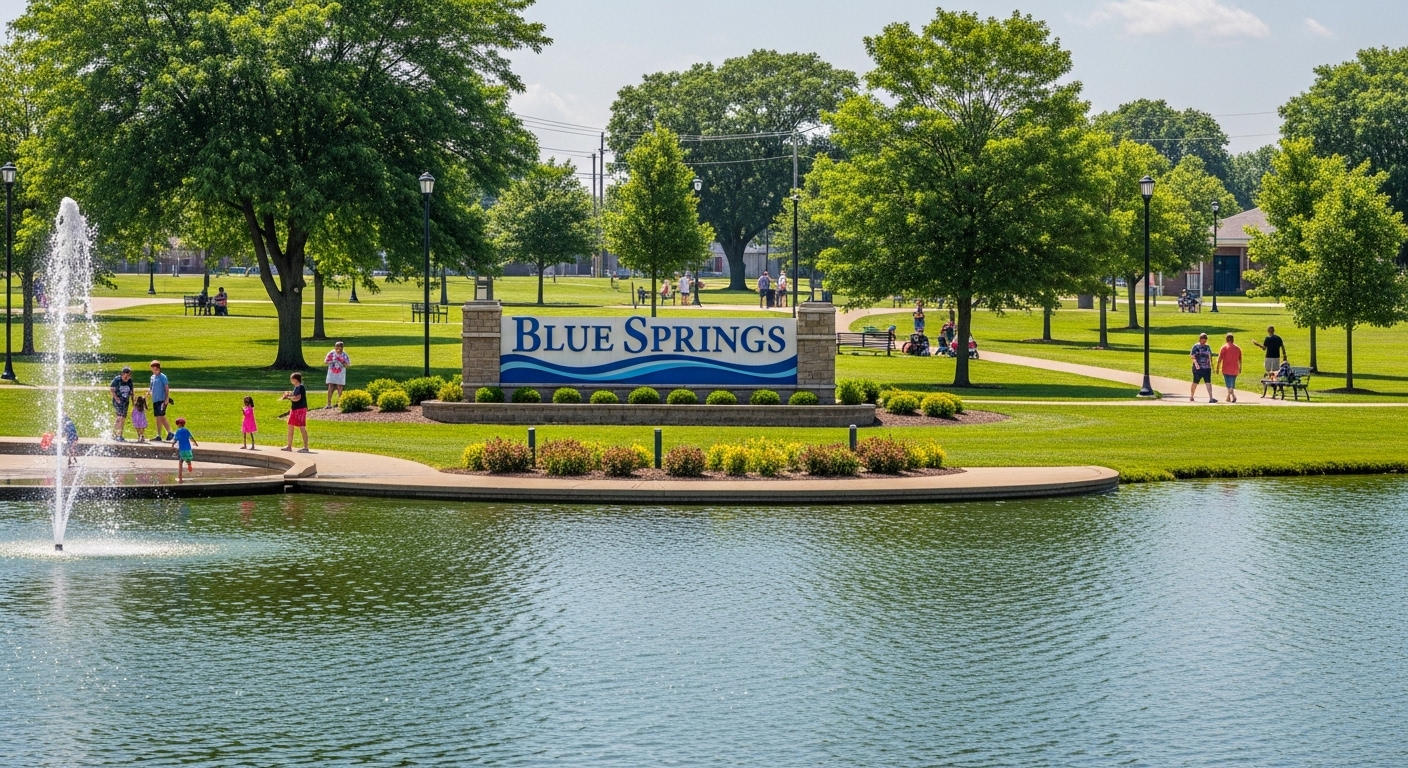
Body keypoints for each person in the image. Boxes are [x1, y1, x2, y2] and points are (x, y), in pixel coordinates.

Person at [281, 372, 310, 453]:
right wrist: (289, 395)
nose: (291, 380)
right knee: (290, 425)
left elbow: (297, 398)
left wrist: (289, 397)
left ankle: (306, 447)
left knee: (301, 426)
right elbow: (294, 396)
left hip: (300, 409)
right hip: (294, 409)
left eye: (291, 379)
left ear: (295, 380)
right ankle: (289, 446)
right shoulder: (296, 388)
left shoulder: (301, 387)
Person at [148, 360, 174, 441]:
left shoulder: (162, 377)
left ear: (159, 369)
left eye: (156, 369)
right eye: (153, 369)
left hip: (162, 399)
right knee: (158, 417)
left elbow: (166, 388)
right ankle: (159, 435)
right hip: (155, 400)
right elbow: (151, 388)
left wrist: (167, 398)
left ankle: (169, 432)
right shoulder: (152, 377)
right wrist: (148, 394)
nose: (154, 371)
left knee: (161, 415)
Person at [109, 365, 136, 441]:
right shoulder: (117, 379)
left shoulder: (130, 381)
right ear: (123, 374)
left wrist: (133, 401)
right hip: (118, 401)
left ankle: (117, 434)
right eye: (126, 376)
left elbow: (132, 392)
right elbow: (111, 389)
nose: (127, 378)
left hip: (125, 402)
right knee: (120, 417)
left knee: (122, 418)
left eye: (129, 376)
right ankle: (116, 434)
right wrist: (116, 398)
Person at [1216, 333, 1243, 404]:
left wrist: (1217, 368)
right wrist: (1240, 368)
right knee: (1231, 384)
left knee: (1228, 384)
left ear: (1226, 339)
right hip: (1235, 369)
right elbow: (1240, 359)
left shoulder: (1224, 347)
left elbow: (1219, 359)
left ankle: (1233, 396)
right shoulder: (1237, 348)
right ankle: (1228, 397)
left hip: (1226, 369)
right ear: (1233, 340)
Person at [1190, 332, 1217, 403]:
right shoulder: (1196, 346)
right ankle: (1192, 396)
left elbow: (1210, 356)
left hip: (1207, 367)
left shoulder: (1207, 347)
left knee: (1208, 382)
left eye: (1205, 340)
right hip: (1198, 368)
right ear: (1200, 339)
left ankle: (1211, 398)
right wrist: (1196, 364)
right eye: (1203, 339)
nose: (1204, 341)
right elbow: (1192, 356)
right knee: (1195, 382)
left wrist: (1212, 366)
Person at [323, 341, 350, 409]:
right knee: (330, 386)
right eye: (337, 346)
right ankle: (329, 404)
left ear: (342, 347)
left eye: (340, 347)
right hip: (331, 373)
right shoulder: (331, 353)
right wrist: (332, 361)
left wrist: (342, 361)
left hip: (340, 374)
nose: (338, 348)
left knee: (340, 387)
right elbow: (326, 361)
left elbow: (347, 365)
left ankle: (340, 403)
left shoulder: (344, 355)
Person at [172, 417, 198, 483]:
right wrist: (195, 443)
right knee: (188, 458)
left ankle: (180, 478)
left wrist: (172, 445)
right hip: (188, 449)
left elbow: (175, 439)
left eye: (177, 424)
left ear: (179, 424)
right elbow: (191, 438)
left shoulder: (178, 431)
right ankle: (189, 464)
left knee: (180, 463)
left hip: (182, 449)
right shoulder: (186, 431)